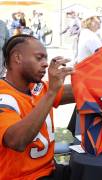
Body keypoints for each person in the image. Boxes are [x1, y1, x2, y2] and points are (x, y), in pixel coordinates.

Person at [0, 34, 74, 180]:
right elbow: (17, 141)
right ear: (18, 58)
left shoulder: (37, 87)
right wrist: (52, 92)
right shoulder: (4, 96)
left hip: (49, 170)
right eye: (39, 58)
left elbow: (78, 92)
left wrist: (100, 78)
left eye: (46, 58)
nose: (46, 64)